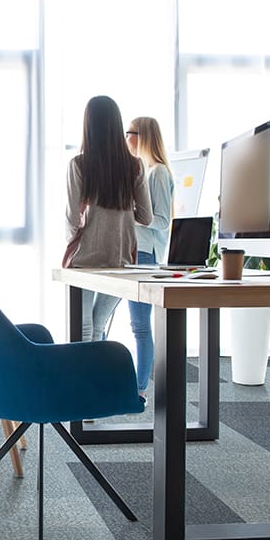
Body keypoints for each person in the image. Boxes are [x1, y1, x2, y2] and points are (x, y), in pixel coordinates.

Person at [64, 95, 152, 344]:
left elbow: (72, 219)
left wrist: (79, 233)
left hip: (86, 259)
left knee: (83, 327)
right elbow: (146, 216)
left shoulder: (78, 164)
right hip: (120, 259)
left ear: (88, 126)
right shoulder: (135, 166)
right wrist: (121, 214)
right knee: (99, 323)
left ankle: (83, 370)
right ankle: (95, 370)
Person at [125, 116, 175, 397]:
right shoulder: (141, 171)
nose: (125, 138)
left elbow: (163, 220)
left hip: (145, 255)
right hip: (130, 253)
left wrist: (130, 214)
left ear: (141, 136)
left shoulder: (158, 173)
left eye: (129, 133)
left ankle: (139, 389)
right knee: (101, 319)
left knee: (141, 326)